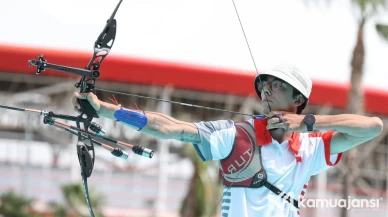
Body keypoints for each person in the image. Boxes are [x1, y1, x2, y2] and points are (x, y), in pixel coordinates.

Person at [71, 63, 383, 217]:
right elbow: (172, 128)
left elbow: (372, 127)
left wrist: (308, 122)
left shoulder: (312, 147)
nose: (265, 90)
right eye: (264, 86)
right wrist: (105, 110)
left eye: (275, 85)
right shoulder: (237, 135)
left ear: (298, 98)